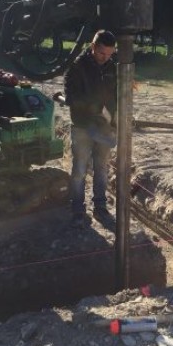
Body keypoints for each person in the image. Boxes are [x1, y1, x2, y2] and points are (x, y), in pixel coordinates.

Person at [64, 30, 117, 228]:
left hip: (104, 128)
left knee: (101, 169)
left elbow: (116, 95)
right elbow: (71, 98)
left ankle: (100, 206)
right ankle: (78, 208)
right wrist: (93, 107)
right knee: (79, 169)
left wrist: (115, 118)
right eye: (102, 53)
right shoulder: (77, 66)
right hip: (83, 127)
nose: (106, 58)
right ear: (93, 47)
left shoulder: (112, 67)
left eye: (110, 54)